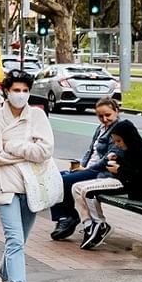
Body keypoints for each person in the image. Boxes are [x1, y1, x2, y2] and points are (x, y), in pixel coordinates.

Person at [0, 70, 58, 282]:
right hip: (4, 186)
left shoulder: (37, 116)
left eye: (25, 90)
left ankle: (5, 275)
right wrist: (28, 152)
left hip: (32, 187)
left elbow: (45, 151)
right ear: (6, 91)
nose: (21, 95)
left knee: (21, 239)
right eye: (16, 90)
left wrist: (14, 147)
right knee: (14, 238)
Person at [69, 118, 142, 250]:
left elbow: (141, 177)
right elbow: (128, 166)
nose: (117, 144)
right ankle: (88, 225)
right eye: (115, 141)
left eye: (119, 141)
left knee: (88, 191)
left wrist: (119, 169)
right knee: (76, 187)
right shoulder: (129, 150)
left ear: (129, 137)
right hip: (120, 180)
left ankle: (100, 224)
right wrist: (117, 160)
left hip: (131, 186)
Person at [49, 99, 121, 241]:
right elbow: (90, 151)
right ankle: (65, 217)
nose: (104, 119)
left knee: (65, 180)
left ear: (117, 112)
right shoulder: (101, 128)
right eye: (100, 116)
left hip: (101, 172)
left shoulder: (119, 130)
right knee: (53, 178)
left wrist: (86, 169)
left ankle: (69, 218)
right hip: (89, 168)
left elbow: (109, 157)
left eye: (108, 115)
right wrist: (81, 165)